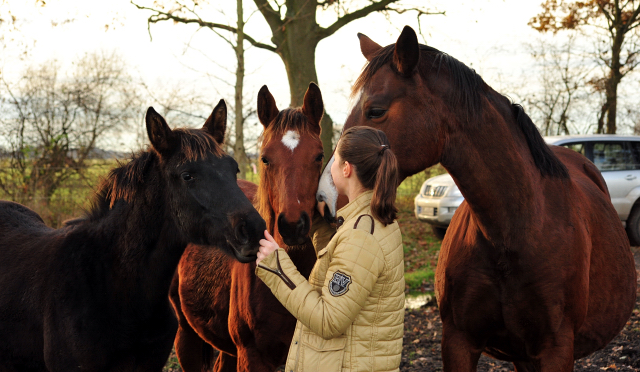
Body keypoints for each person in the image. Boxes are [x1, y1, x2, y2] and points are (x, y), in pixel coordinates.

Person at [255, 126, 405, 372]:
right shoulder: (372, 221)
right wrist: (320, 228)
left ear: (346, 169)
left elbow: (329, 320)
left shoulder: (361, 237)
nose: (329, 170)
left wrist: (276, 267)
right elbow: (349, 268)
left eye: (333, 161)